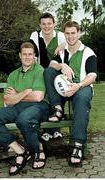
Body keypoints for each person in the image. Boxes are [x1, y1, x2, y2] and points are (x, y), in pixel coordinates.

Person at [0, 42, 51, 175]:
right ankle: (20, 151)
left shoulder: (39, 70)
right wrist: (25, 92)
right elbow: (7, 100)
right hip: (17, 107)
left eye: (30, 54)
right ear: (20, 56)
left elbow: (38, 96)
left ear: (35, 56)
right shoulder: (13, 75)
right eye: (25, 54)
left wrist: (16, 95)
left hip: (39, 107)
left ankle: (38, 149)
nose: (27, 57)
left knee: (24, 119)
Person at [43, 21, 97, 167]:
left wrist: (78, 85)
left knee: (81, 100)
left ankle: (77, 146)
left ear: (79, 33)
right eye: (67, 33)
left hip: (82, 87)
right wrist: (62, 65)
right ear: (64, 34)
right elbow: (50, 66)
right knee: (48, 72)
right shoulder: (62, 50)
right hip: (64, 88)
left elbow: (92, 76)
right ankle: (58, 109)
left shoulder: (88, 52)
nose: (70, 36)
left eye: (73, 33)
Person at [30, 12, 66, 141]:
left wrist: (64, 44)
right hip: (41, 71)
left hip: (56, 72)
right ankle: (47, 130)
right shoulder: (35, 35)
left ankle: (55, 129)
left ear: (54, 24)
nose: (46, 27)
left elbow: (74, 43)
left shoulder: (61, 36)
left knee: (57, 94)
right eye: (43, 24)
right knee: (44, 99)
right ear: (40, 25)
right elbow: (33, 54)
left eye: (49, 23)